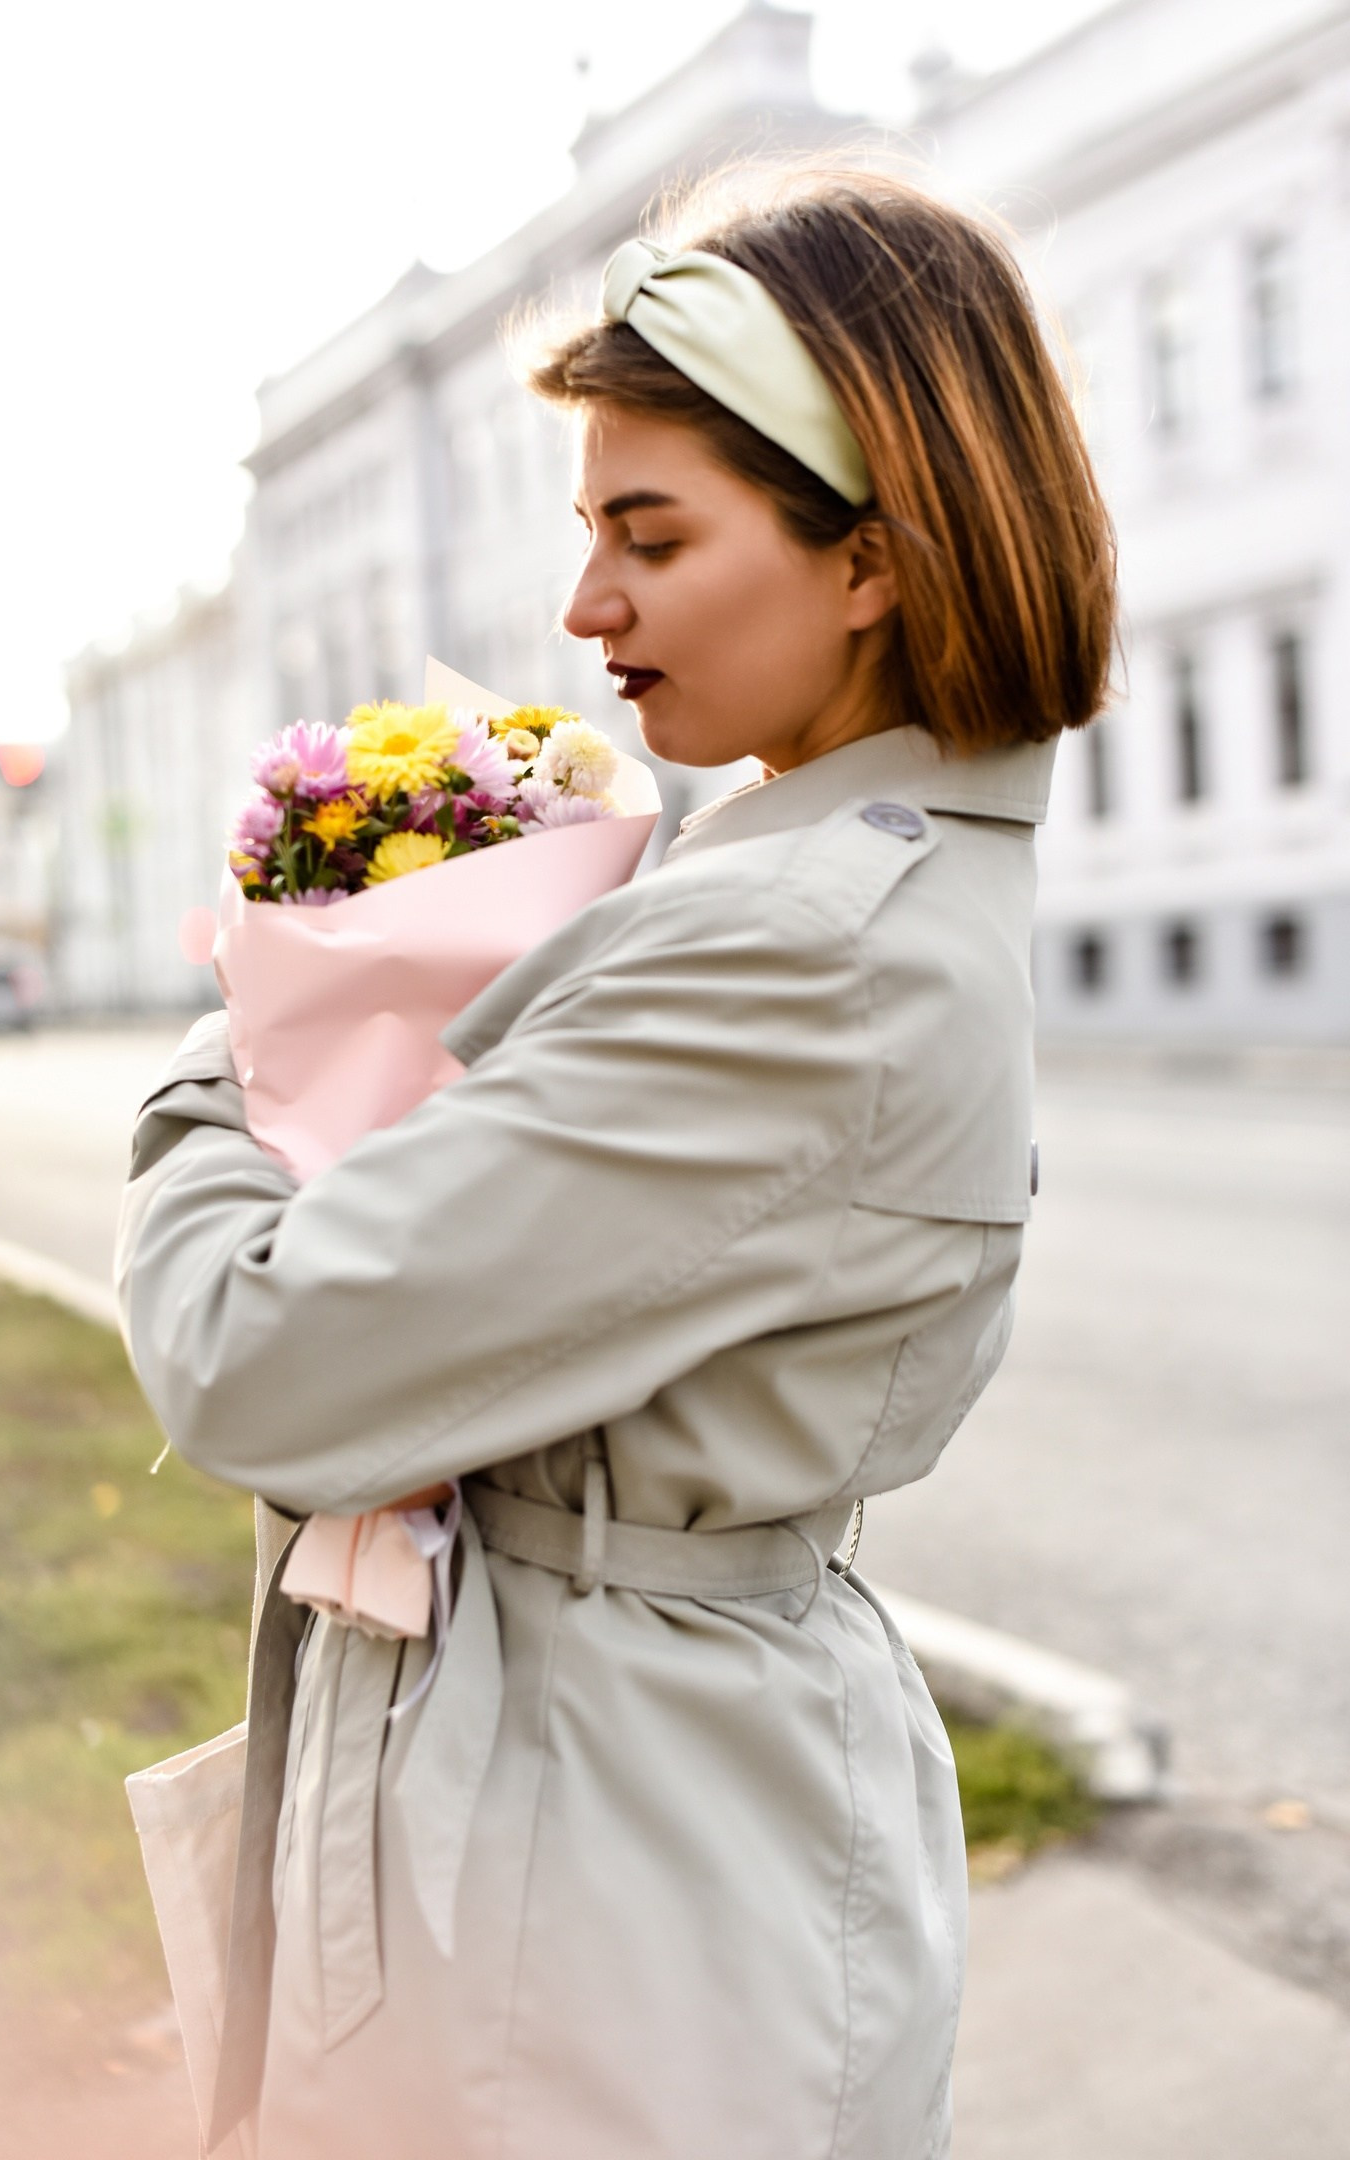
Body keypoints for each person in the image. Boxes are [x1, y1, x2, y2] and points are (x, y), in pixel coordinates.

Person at [116, 165, 1115, 2160]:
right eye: (588, 534)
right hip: (597, 1820)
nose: (585, 609)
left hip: (601, 1889)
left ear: (875, 562)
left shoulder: (799, 948)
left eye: (650, 538)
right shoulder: (795, 893)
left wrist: (252, 1031)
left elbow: (264, 1365)